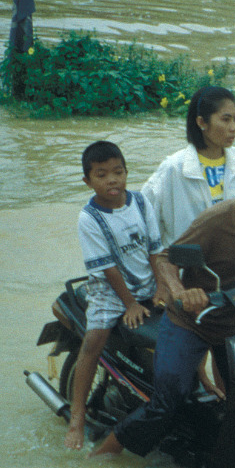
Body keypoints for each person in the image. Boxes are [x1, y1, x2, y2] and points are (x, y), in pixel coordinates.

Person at [91, 144, 235, 460]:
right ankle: (99, 457)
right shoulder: (219, 220)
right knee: (168, 401)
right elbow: (166, 258)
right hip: (192, 323)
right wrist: (179, 291)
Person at [66, 141, 168, 450]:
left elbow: (154, 248)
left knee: (189, 322)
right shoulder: (89, 218)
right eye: (102, 174)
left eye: (118, 172)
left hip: (148, 283)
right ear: (88, 181)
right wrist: (130, 304)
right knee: (93, 343)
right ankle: (77, 418)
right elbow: (108, 269)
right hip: (109, 293)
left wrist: (163, 286)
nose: (112, 180)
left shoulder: (139, 202)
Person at [140, 85, 235, 248]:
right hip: (186, 267)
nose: (234, 127)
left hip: (230, 263)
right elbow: (145, 218)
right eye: (226, 119)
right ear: (201, 122)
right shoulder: (174, 168)